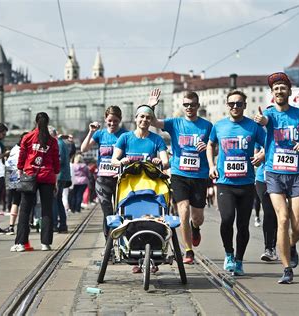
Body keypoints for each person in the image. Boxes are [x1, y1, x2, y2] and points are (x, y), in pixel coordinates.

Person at [254, 72, 299, 284]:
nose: (279, 91)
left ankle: (291, 245)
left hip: (297, 174)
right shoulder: (269, 114)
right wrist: (262, 120)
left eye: (283, 88)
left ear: (289, 92)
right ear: (272, 94)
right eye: (276, 89)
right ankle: (286, 268)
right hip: (274, 173)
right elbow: (265, 121)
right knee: (282, 219)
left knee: (298, 225)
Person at [149, 89, 213, 264]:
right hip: (179, 174)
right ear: (182, 106)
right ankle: (188, 250)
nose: (189, 108)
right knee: (183, 211)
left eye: (192, 105)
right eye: (186, 105)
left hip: (199, 176)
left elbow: (214, 148)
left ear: (198, 106)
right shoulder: (175, 123)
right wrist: (152, 107)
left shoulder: (207, 126)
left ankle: (195, 228)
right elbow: (154, 122)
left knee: (197, 217)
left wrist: (207, 146)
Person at [207, 90, 265, 276]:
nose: (235, 107)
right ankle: (229, 254)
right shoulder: (219, 126)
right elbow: (210, 145)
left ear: (244, 106)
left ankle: (239, 260)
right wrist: (210, 165)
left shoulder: (253, 127)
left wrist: (260, 156)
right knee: (226, 219)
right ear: (227, 105)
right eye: (231, 103)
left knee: (242, 225)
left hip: (247, 184)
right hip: (225, 182)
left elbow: (269, 144)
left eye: (239, 104)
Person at [111, 104, 169, 274]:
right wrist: (121, 161)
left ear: (151, 121)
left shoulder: (156, 140)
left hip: (151, 184)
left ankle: (154, 250)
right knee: (129, 216)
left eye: (148, 118)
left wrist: (160, 161)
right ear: (136, 118)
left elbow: (165, 161)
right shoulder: (125, 138)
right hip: (129, 184)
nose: (144, 120)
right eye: (141, 117)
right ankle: (135, 254)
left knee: (155, 216)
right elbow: (114, 159)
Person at [10, 112, 60, 252]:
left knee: (25, 210)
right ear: (47, 122)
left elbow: (22, 156)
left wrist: (21, 168)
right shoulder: (52, 141)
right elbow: (56, 162)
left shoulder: (27, 137)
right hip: (47, 177)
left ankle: (21, 243)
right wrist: (54, 174)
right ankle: (45, 243)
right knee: (47, 210)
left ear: (36, 122)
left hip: (30, 176)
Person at [80, 106, 128, 239]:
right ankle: (109, 244)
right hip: (103, 179)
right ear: (105, 119)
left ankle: (122, 241)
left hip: (120, 179)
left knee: (120, 211)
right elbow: (84, 148)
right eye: (110, 121)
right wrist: (91, 132)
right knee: (108, 212)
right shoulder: (100, 134)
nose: (112, 124)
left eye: (116, 121)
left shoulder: (125, 134)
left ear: (120, 120)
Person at [254, 143, 279, 262]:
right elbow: (256, 160)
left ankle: (277, 245)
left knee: (278, 214)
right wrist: (261, 155)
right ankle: (268, 248)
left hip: (280, 177)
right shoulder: (260, 135)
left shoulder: (282, 132)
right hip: (262, 179)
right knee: (268, 212)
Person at [4, 132, 28, 235]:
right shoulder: (24, 150)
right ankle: (25, 224)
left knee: (15, 201)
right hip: (20, 175)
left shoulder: (14, 148)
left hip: (10, 175)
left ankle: (11, 226)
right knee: (25, 200)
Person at [52, 128, 71, 233]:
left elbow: (59, 160)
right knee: (58, 200)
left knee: (55, 200)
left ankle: (55, 224)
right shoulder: (61, 143)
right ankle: (62, 224)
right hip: (62, 175)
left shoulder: (58, 144)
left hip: (59, 176)